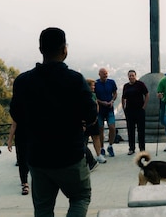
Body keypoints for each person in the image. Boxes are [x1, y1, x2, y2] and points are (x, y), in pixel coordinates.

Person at [10, 27, 97, 217]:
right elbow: (91, 115)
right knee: (80, 197)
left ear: (41, 49)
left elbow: (16, 113)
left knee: (43, 207)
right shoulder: (75, 80)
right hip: (70, 155)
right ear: (65, 49)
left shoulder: (23, 81)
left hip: (38, 157)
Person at [122, 69, 149, 155]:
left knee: (141, 131)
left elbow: (147, 94)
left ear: (135, 76)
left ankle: (142, 148)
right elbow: (123, 97)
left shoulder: (140, 84)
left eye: (132, 75)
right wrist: (124, 108)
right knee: (130, 130)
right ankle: (131, 148)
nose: (131, 77)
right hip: (129, 111)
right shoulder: (126, 86)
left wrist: (144, 106)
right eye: (130, 75)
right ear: (128, 77)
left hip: (139, 110)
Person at [95, 67, 118, 158]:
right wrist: (101, 102)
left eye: (106, 73)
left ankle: (110, 145)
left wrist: (112, 101)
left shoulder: (111, 82)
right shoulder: (96, 84)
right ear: (99, 74)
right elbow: (94, 97)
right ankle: (102, 148)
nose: (105, 75)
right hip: (100, 110)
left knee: (112, 127)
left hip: (109, 109)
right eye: (103, 73)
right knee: (100, 129)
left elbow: (115, 93)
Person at [85, 78, 106, 165]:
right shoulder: (84, 95)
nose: (94, 87)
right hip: (86, 121)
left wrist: (96, 116)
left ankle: (98, 155)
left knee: (96, 137)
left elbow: (96, 105)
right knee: (85, 139)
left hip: (94, 119)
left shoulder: (93, 95)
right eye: (92, 85)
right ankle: (85, 156)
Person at [8, 120, 30, 194]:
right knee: (22, 161)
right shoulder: (18, 109)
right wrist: (10, 140)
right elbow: (14, 125)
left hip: (34, 137)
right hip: (21, 138)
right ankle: (25, 183)